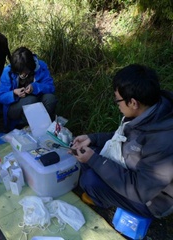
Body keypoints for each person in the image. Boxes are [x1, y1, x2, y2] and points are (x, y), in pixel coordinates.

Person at [71, 64, 173, 219]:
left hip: (152, 200)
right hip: (133, 166)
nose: (116, 103)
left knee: (89, 179)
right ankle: (102, 191)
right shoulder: (149, 109)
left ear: (133, 102)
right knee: (87, 152)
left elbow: (140, 191)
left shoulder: (163, 141)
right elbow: (124, 137)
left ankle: (102, 199)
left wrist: (95, 160)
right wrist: (93, 138)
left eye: (117, 100)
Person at [0, 46, 57, 130]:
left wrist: (35, 87)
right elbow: (1, 97)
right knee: (31, 101)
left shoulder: (41, 67)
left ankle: (43, 125)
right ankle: (25, 127)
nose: (22, 75)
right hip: (15, 107)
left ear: (31, 66)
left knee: (50, 99)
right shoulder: (7, 72)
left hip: (37, 99)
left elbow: (51, 87)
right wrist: (14, 93)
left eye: (25, 71)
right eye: (19, 72)